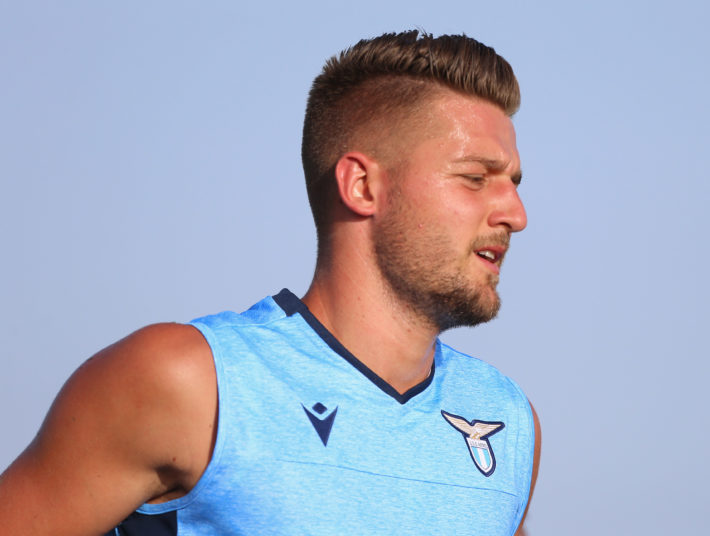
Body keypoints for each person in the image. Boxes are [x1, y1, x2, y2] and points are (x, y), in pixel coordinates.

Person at [0, 30, 540, 535]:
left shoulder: (507, 420)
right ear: (361, 185)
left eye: (512, 183)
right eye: (475, 178)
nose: (515, 214)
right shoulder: (187, 381)